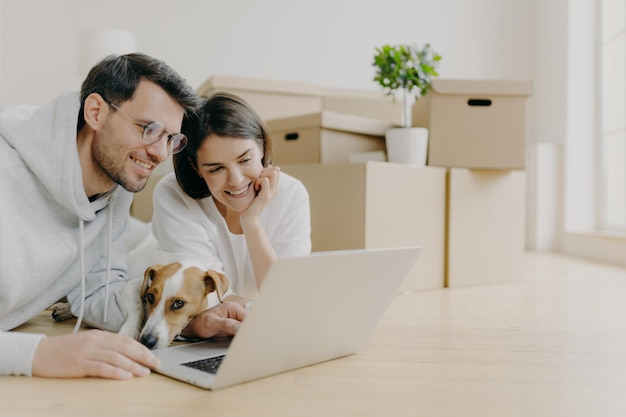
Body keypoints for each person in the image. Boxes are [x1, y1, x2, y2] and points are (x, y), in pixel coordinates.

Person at [0, 53, 245, 380]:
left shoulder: (115, 185)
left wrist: (188, 324)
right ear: (96, 112)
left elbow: (97, 294)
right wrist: (39, 353)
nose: (159, 153)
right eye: (149, 128)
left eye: (170, 138)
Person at [148, 92, 311, 311]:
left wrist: (251, 222)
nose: (236, 180)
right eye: (216, 168)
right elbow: (206, 297)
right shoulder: (172, 195)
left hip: (257, 323)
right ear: (195, 167)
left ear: (261, 148)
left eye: (245, 160)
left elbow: (284, 295)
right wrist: (263, 310)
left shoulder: (291, 194)